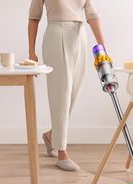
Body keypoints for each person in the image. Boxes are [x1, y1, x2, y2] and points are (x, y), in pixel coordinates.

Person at [28, 0, 105, 171]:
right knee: (61, 93)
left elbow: (92, 15)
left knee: (73, 92)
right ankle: (62, 152)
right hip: (56, 34)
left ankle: (51, 136)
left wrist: (103, 48)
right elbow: (34, 17)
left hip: (80, 36)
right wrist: (31, 52)